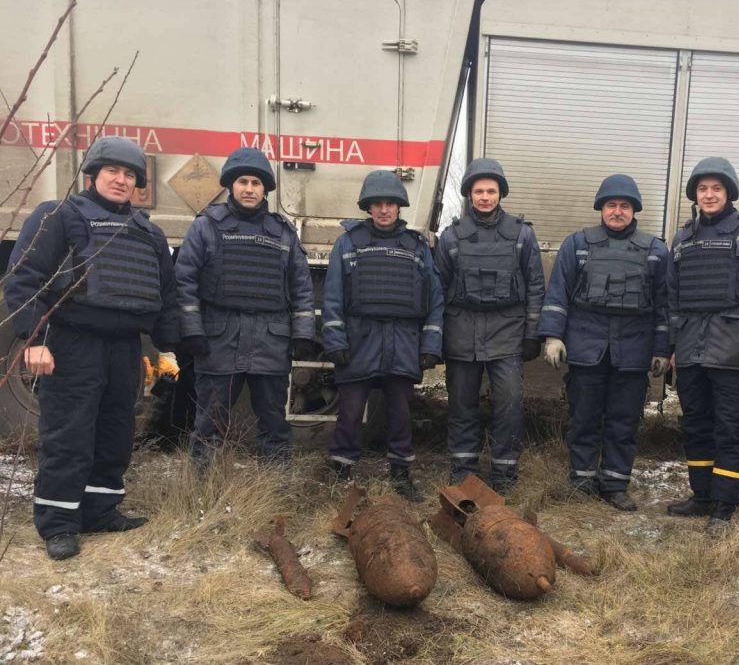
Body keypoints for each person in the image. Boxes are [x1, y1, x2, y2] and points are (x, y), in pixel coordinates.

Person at [4, 136, 179, 560]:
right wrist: (34, 339)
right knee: (68, 433)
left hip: (125, 348)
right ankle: (59, 522)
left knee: (116, 431)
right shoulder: (59, 216)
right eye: (113, 172)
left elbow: (166, 296)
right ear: (92, 175)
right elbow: (24, 280)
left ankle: (100, 510)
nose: (121, 180)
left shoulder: (148, 233)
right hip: (73, 343)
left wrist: (172, 349)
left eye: (130, 175)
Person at [665, 157, 739, 535]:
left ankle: (725, 505)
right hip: (690, 350)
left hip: (735, 351)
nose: (709, 194)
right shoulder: (683, 238)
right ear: (695, 195)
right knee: (696, 426)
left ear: (729, 192)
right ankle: (701, 496)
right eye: (703, 189)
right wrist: (672, 346)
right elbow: (673, 297)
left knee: (731, 428)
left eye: (717, 188)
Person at [537, 174, 670, 511]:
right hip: (587, 348)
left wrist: (661, 349)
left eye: (624, 206)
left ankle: (614, 484)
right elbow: (558, 294)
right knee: (583, 416)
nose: (617, 211)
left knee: (624, 420)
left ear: (634, 211)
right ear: (601, 209)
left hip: (633, 351)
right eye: (611, 205)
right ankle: (580, 480)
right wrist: (553, 336)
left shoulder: (655, 251)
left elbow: (665, 305)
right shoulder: (576, 244)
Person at [175, 147, 315, 467]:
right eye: (243, 182)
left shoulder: (283, 233)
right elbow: (184, 282)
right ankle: (203, 489)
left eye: (256, 182)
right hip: (219, 340)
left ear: (264, 188)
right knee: (209, 423)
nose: (249, 188)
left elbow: (302, 287)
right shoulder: (206, 227)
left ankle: (275, 488)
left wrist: (303, 333)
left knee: (274, 424)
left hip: (270, 342)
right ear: (231, 186)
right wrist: (192, 331)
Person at [321, 170, 444, 502]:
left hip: (402, 341)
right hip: (360, 341)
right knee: (350, 412)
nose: (384, 210)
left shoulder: (417, 247)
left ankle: (401, 475)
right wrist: (336, 341)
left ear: (400, 207)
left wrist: (430, 344)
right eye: (377, 204)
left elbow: (435, 299)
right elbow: (332, 297)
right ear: (368, 207)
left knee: (401, 414)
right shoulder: (348, 243)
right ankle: (341, 472)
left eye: (390, 203)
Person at [435, 158, 545, 493]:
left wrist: (531, 334)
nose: (485, 197)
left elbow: (536, 286)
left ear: (500, 194)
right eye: (479, 191)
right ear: (469, 194)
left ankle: (504, 473)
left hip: (507, 333)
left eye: (491, 191)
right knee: (461, 405)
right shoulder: (451, 237)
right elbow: (437, 289)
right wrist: (435, 338)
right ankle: (464, 471)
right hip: (461, 332)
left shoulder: (522, 235)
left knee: (509, 404)